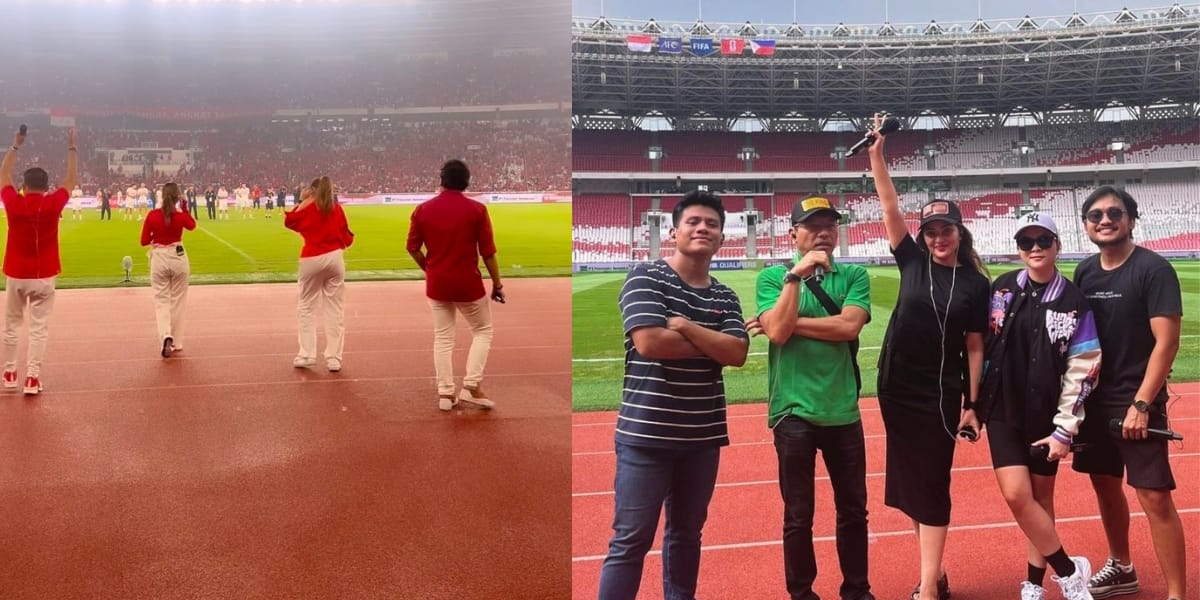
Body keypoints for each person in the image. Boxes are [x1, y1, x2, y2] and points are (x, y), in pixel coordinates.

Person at [596, 190, 749, 600]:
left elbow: (737, 353)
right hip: (647, 436)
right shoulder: (646, 276)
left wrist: (684, 326)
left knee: (686, 536)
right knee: (630, 542)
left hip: (702, 439)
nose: (703, 228)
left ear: (721, 238)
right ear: (674, 231)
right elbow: (650, 343)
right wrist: (713, 342)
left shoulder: (724, 295)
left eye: (712, 224)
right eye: (694, 222)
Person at [866, 113, 991, 600]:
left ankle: (929, 589)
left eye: (947, 230)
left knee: (933, 484)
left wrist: (973, 404)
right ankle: (932, 574)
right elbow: (890, 205)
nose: (939, 238)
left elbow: (976, 346)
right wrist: (877, 156)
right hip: (896, 387)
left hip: (941, 395)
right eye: (932, 231)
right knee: (911, 484)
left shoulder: (977, 285)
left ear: (961, 233)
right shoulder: (912, 261)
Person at [748, 196, 874, 600]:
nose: (822, 232)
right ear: (793, 234)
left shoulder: (854, 274)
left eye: (829, 226)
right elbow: (781, 333)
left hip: (843, 410)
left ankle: (856, 590)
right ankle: (801, 593)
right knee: (799, 515)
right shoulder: (772, 278)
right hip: (792, 411)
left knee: (854, 511)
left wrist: (783, 323)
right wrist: (794, 278)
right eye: (812, 225)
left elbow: (848, 328)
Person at [977, 212, 1101, 600]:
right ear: (1018, 248)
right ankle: (1069, 571)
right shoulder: (1001, 289)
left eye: (1042, 241)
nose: (1034, 249)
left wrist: (1065, 427)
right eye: (1026, 242)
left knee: (1041, 500)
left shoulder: (1072, 300)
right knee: (1017, 495)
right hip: (1002, 409)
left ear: (1056, 246)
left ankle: (1034, 582)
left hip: (1047, 415)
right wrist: (973, 403)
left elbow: (1084, 367)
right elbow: (978, 345)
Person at [1070, 186, 1185, 600]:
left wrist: (1142, 403)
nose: (1105, 219)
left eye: (1114, 212)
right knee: (1104, 484)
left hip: (1135, 399)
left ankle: (1175, 594)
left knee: (1153, 496)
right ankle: (1122, 567)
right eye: (1095, 214)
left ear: (1131, 219)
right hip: (1094, 400)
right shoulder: (1084, 272)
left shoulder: (1154, 270)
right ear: (1085, 225)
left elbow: (1166, 343)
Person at [405, 159, 506, 411]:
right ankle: (471, 385)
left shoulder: (423, 210)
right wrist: (497, 283)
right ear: (466, 181)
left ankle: (445, 393)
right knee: (483, 331)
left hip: (437, 284)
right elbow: (488, 253)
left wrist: (429, 268)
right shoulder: (477, 210)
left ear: (442, 180)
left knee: (443, 338)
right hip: (468, 284)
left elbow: (412, 248)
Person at [0, 126, 77, 395]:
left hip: (16, 273)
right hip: (44, 274)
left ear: (24, 186)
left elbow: (3, 174)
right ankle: (32, 379)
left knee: (10, 326)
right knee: (38, 329)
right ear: (46, 187)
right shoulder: (53, 203)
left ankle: (9, 374)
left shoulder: (13, 202)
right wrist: (71, 147)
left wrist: (16, 144)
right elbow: (70, 180)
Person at [284, 176, 353, 372]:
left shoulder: (308, 207)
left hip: (311, 258)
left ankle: (307, 354)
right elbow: (347, 238)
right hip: (335, 258)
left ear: (312, 190)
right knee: (335, 309)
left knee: (306, 306)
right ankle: (334, 358)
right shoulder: (336, 208)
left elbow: (290, 222)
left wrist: (302, 201)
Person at [139, 182, 196, 358]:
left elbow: (143, 241)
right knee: (178, 301)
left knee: (161, 300)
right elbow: (192, 225)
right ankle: (177, 341)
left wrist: (156, 237)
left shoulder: (153, 215)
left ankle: (166, 335)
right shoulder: (180, 216)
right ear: (177, 196)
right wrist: (185, 208)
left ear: (162, 196)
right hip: (178, 257)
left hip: (159, 258)